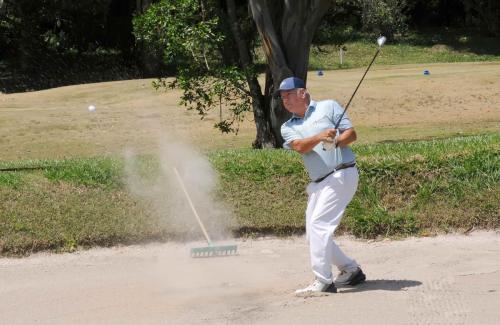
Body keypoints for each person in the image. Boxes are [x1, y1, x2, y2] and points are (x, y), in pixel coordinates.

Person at [277, 76, 366, 296]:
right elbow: (299, 146)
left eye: (289, 94)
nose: (285, 100)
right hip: (319, 183)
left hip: (341, 173)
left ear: (302, 92)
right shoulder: (288, 126)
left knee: (318, 226)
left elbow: (351, 134)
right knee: (314, 233)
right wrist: (320, 137)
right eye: (282, 97)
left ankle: (323, 281)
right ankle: (351, 270)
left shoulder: (328, 106)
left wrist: (336, 142)